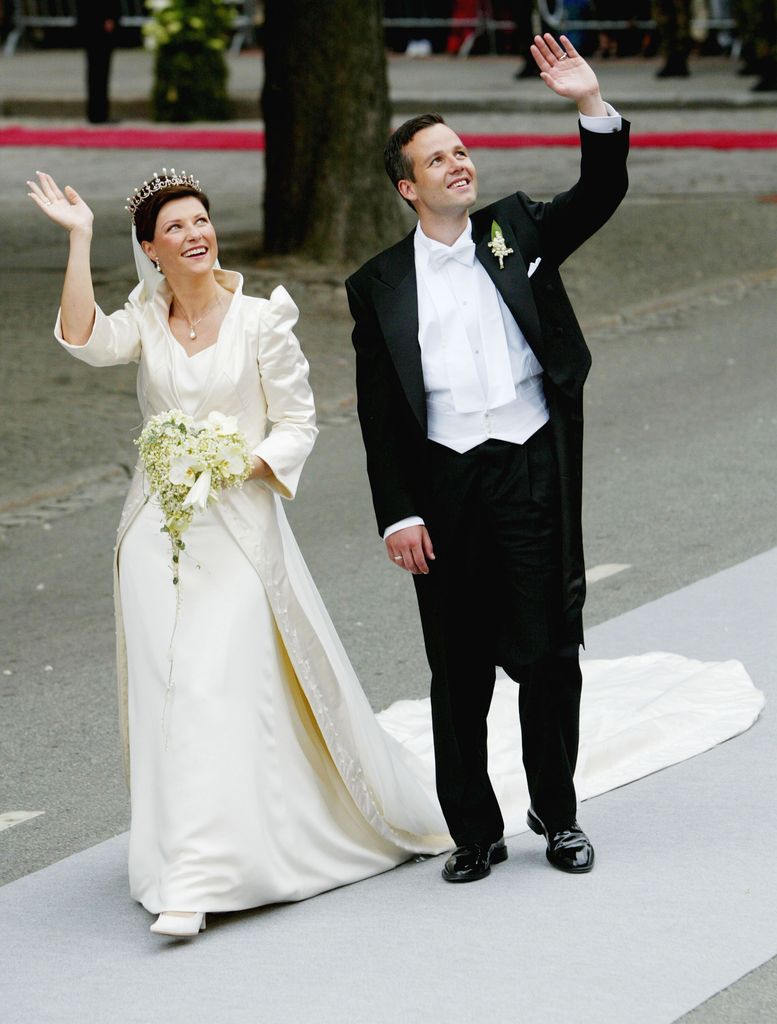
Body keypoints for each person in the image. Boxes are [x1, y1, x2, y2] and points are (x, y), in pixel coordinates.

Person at [27, 167, 456, 939]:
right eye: (176, 229)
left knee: (214, 686)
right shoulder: (144, 316)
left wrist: (232, 464)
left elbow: (297, 424)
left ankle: (207, 873)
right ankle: (185, 865)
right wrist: (80, 240)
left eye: (201, 221)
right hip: (154, 535)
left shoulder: (262, 319)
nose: (195, 236)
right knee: (175, 693)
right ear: (152, 250)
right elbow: (86, 341)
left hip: (240, 532)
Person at [347, 34, 629, 883]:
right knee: (457, 669)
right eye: (437, 159)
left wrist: (589, 105)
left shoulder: (516, 229)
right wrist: (398, 511)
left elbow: (601, 191)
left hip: (530, 464)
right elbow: (379, 414)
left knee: (548, 656)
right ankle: (474, 831)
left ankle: (558, 812)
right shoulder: (379, 283)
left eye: (461, 151)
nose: (457, 165)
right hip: (444, 480)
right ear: (408, 187)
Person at [76, 0, 121, 124]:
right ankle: (97, 112)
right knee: (98, 69)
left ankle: (97, 111)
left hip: (92, 21)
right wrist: (109, 17)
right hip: (97, 23)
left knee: (97, 69)